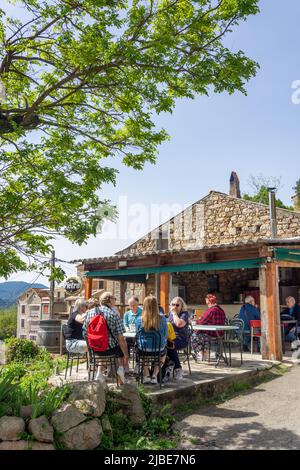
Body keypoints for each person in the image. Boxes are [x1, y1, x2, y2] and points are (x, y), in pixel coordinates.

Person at [82, 291, 129, 383]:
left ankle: (99, 373)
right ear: (109, 300)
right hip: (109, 349)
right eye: (114, 299)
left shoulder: (90, 313)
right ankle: (121, 370)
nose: (115, 301)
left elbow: (85, 332)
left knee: (102, 344)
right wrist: (126, 356)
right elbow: (121, 339)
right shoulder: (113, 315)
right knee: (121, 349)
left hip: (94, 348)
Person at [136, 296, 168, 385]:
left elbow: (137, 334)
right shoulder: (163, 319)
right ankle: (154, 375)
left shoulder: (139, 319)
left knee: (142, 352)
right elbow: (165, 335)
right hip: (158, 349)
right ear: (156, 306)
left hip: (144, 349)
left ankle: (146, 375)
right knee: (164, 352)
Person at [191, 294, 226, 360]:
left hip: (211, 333)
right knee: (198, 333)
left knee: (194, 335)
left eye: (207, 303)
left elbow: (202, 322)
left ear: (210, 303)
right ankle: (205, 353)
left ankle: (202, 354)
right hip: (220, 334)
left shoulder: (211, 310)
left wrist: (195, 321)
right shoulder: (221, 310)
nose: (207, 305)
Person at [168, 297, 190, 380]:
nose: (175, 307)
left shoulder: (184, 314)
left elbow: (179, 324)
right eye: (173, 304)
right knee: (163, 344)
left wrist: (174, 314)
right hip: (170, 337)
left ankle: (178, 368)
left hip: (181, 339)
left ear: (181, 306)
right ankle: (168, 366)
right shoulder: (170, 313)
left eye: (177, 305)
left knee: (170, 345)